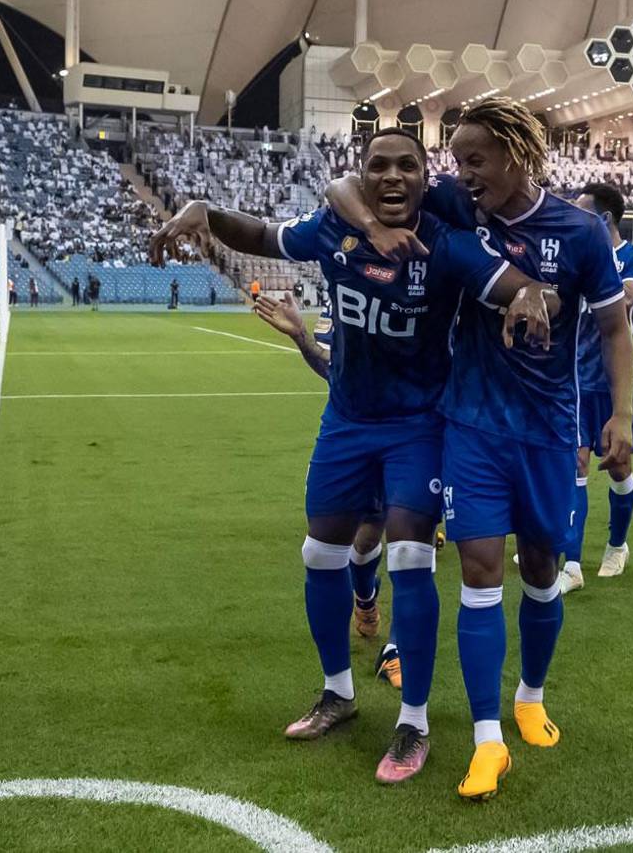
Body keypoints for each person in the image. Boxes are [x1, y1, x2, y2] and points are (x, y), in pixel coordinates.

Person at [152, 127, 558, 786]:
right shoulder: (330, 230)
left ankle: (414, 720)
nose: (392, 176)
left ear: (428, 178)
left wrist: (531, 294)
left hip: (419, 425)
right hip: (346, 418)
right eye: (378, 166)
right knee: (319, 552)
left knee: (410, 556)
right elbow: (260, 235)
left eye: (407, 165)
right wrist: (205, 211)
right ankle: (337, 692)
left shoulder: (445, 244)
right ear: (362, 177)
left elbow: (510, 282)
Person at [326, 98, 633, 801]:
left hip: (550, 430)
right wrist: (374, 220)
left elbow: (616, 330)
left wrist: (619, 414)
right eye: (457, 161)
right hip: (468, 425)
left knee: (543, 569)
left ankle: (530, 694)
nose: (460, 174)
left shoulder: (581, 231)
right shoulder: (453, 208)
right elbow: (344, 190)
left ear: (516, 155)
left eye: (475, 160)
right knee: (478, 570)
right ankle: (487, 740)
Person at [255, 291, 404, 688]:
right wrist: (302, 337)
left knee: (412, 550)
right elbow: (331, 367)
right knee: (362, 540)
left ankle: (397, 649)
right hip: (353, 434)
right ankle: (366, 599)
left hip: (417, 435)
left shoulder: (433, 277)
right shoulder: (345, 292)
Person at [559, 182, 633, 592]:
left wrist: (606, 271)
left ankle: (617, 545)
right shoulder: (578, 256)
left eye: (583, 213)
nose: (576, 220)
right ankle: (572, 565)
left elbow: (630, 294)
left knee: (618, 467)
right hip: (575, 381)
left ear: (605, 219)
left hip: (615, 384)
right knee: (575, 466)